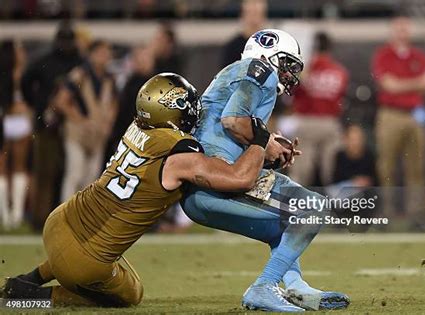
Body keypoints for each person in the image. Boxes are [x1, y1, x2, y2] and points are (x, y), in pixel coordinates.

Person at [2, 73, 271, 307]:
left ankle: (31, 279)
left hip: (60, 221)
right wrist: (261, 139)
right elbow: (241, 178)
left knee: (82, 255)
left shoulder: (137, 126)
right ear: (172, 110)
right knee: (131, 293)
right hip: (84, 260)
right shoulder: (179, 153)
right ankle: (35, 298)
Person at [182, 29, 350, 312]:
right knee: (314, 207)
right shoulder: (258, 69)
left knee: (284, 223)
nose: (290, 74)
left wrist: (268, 144)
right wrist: (264, 141)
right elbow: (234, 121)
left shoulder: (238, 73)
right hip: (219, 179)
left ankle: (295, 286)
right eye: (288, 64)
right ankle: (263, 287)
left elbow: (231, 125)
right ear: (270, 54)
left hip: (202, 188)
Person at [21, 21, 82, 230]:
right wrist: (36, 104)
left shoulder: (80, 63)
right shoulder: (45, 61)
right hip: (49, 125)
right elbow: (25, 82)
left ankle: (67, 217)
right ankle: (40, 220)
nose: (65, 44)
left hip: (74, 125)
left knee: (70, 173)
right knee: (45, 173)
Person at [372, 16, 425, 218]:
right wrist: (415, 84)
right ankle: (388, 212)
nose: (402, 33)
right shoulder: (383, 55)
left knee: (416, 167)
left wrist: (402, 84)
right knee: (387, 166)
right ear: (392, 32)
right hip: (391, 114)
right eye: (399, 29)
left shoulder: (419, 56)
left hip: (414, 115)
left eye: (405, 29)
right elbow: (389, 85)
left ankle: (416, 213)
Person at [55, 40, 117, 202]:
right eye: (101, 53)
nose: (105, 57)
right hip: (77, 132)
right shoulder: (79, 74)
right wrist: (81, 120)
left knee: (91, 179)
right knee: (75, 174)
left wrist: (108, 122)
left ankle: (83, 219)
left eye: (107, 53)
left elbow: (114, 103)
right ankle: (65, 215)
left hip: (98, 134)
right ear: (91, 54)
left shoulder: (109, 77)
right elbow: (61, 101)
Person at [289, 32, 348, 186]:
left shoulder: (304, 69)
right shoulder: (339, 71)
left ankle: (296, 206)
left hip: (306, 121)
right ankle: (335, 207)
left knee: (301, 174)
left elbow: (291, 93)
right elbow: (342, 98)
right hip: (330, 122)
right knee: (332, 172)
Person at [0, 40, 31, 230]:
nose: (23, 53)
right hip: (16, 120)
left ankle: (8, 215)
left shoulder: (14, 74)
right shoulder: (21, 74)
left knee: (5, 169)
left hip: (7, 119)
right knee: (16, 168)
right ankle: (14, 215)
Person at [221, 0, 267, 67]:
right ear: (242, 15)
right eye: (250, 13)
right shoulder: (232, 47)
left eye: (257, 13)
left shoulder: (271, 45)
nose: (254, 18)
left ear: (264, 16)